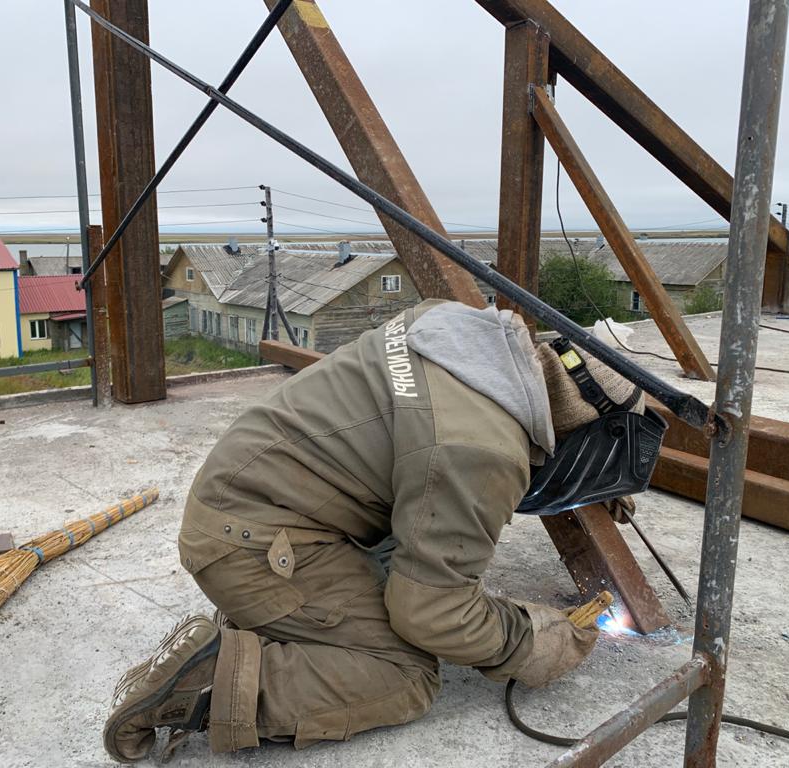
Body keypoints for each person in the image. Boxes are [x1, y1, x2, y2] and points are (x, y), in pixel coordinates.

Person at [102, 299, 644, 763]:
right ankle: (205, 683)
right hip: (252, 540)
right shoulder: (478, 449)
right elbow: (431, 614)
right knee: (406, 674)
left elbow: (429, 461)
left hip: (249, 493)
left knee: (423, 569)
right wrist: (525, 640)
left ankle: (281, 620)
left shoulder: (456, 331)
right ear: (584, 421)